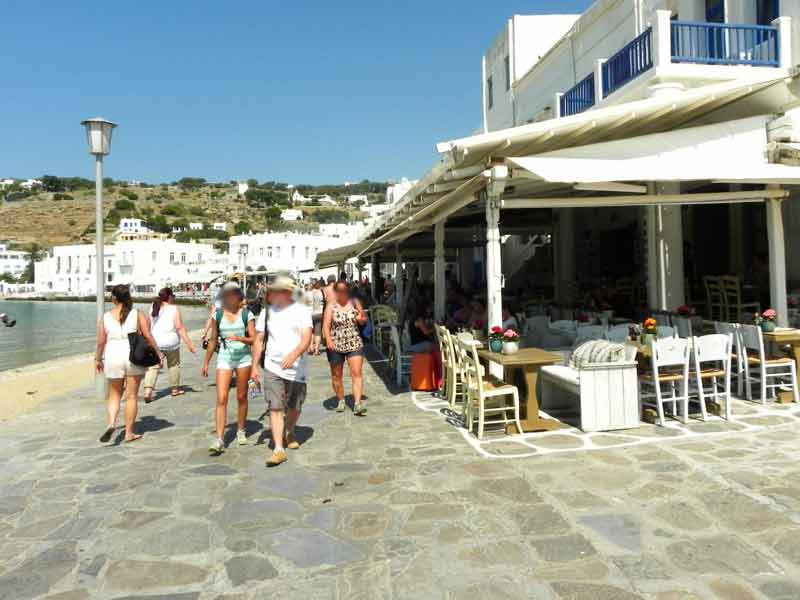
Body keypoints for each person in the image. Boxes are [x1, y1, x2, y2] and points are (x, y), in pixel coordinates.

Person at [252, 275, 312, 467]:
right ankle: (278, 449)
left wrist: (294, 355)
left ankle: (290, 430)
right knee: (275, 406)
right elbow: (259, 340)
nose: (269, 294)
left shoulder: (301, 310)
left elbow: (306, 338)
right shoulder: (266, 313)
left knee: (295, 405)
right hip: (272, 366)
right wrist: (254, 366)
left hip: (297, 368)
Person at [96, 284, 162, 444]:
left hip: (112, 355)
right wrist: (158, 353)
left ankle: (112, 423)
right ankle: (129, 433)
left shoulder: (105, 317)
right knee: (132, 396)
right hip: (132, 354)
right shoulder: (137, 313)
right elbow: (147, 335)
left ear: (113, 298)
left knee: (115, 394)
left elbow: (101, 342)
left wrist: (97, 359)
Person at [201, 281, 256, 454]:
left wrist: (240, 339)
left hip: (243, 359)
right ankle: (219, 438)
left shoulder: (247, 314)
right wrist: (206, 362)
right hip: (224, 358)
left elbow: (254, 339)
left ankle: (240, 430)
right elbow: (212, 340)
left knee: (241, 396)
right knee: (221, 398)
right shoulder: (217, 315)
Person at [143, 287, 197, 402]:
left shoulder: (153, 306)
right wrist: (189, 344)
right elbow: (179, 328)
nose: (174, 299)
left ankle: (148, 391)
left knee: (153, 367)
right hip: (171, 343)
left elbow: (148, 325)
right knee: (174, 365)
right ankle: (175, 389)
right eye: (173, 296)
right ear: (169, 297)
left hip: (156, 342)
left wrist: (147, 341)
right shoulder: (174, 309)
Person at [323, 279, 368, 415]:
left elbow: (363, 318)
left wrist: (360, 318)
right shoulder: (331, 306)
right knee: (337, 376)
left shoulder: (355, 302)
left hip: (354, 341)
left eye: (344, 290)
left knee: (356, 373)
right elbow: (326, 325)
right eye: (339, 291)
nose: (342, 293)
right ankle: (341, 400)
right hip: (336, 344)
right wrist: (329, 341)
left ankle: (357, 403)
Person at [309, 279, 325, 355]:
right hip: (319, 313)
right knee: (318, 333)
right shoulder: (321, 293)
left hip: (310, 314)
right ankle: (316, 350)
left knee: (312, 331)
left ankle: (311, 347)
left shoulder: (309, 293)